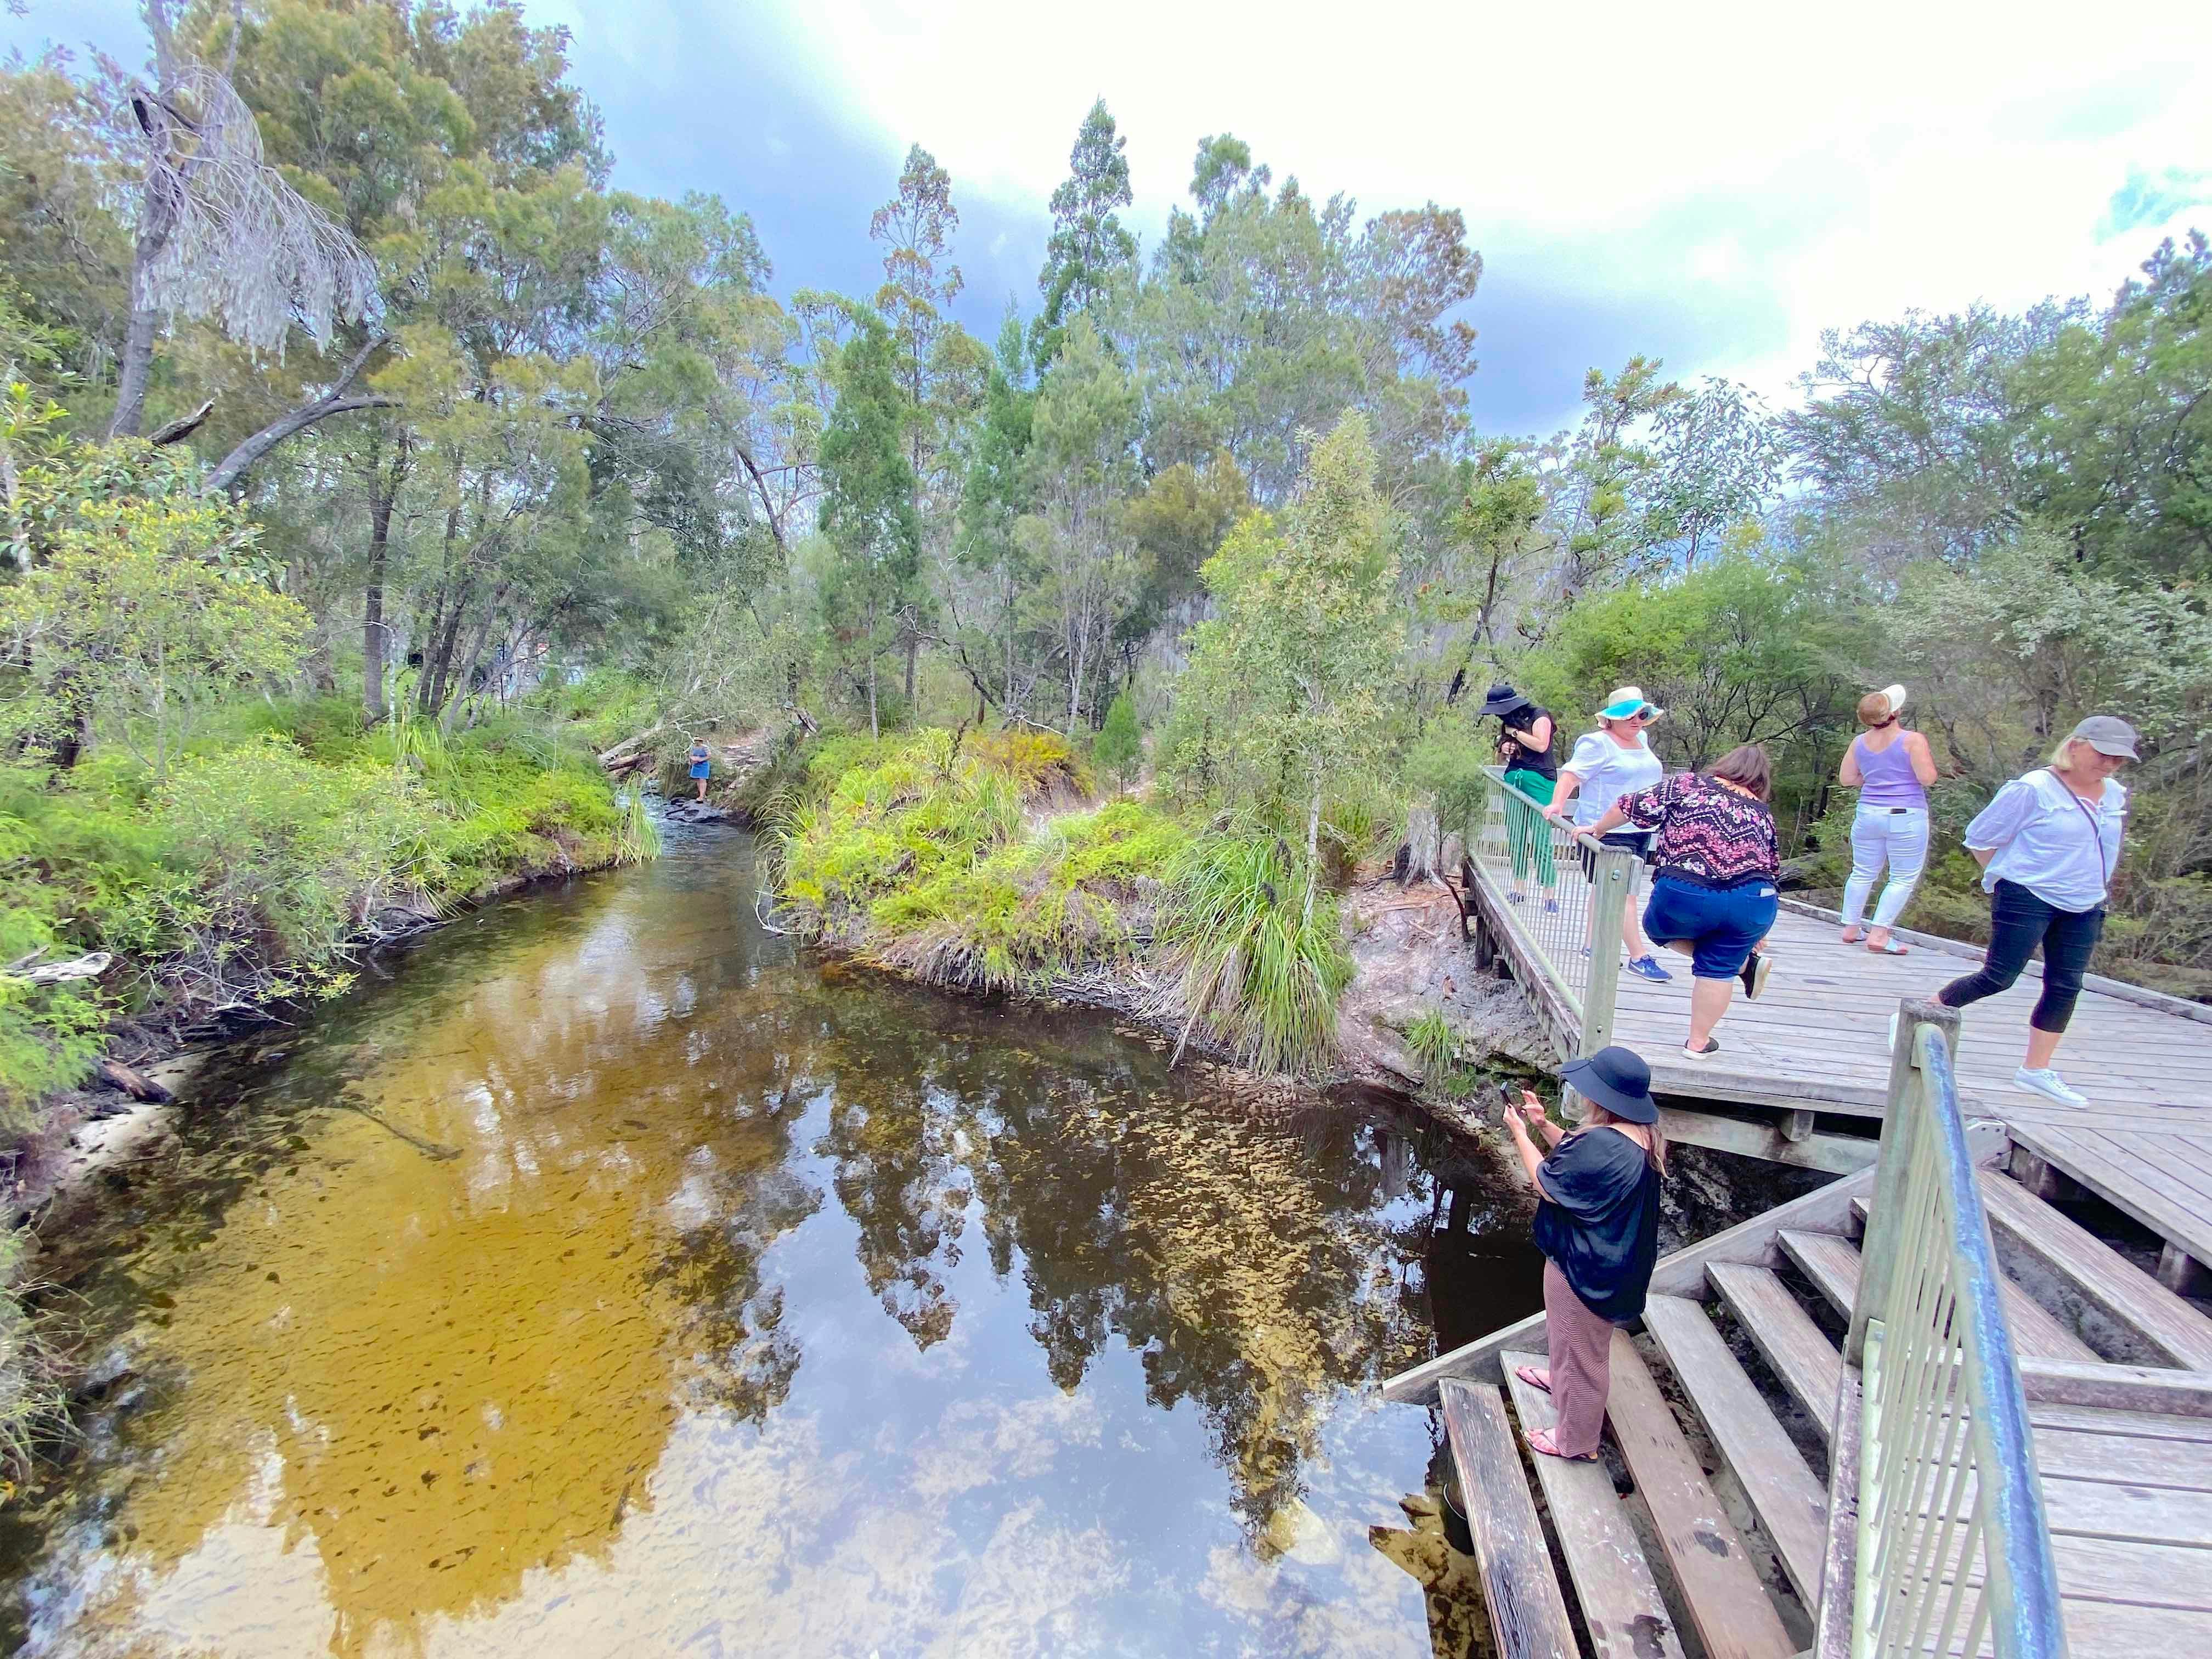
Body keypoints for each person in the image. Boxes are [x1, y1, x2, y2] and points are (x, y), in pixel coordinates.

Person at [1925, 716, 2136, 1108]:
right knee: (1999, 977)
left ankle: (2036, 1070)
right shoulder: (2034, 788)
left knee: (2066, 984)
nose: (2109, 764)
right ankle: (1925, 1014)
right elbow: (1980, 837)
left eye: (2118, 759)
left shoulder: (2114, 794)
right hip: (2027, 894)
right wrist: (2007, 878)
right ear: (2076, 745)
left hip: (2085, 902)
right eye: (2103, 754)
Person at [1502, 1045, 1665, 1462]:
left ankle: (1576, 1442)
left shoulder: (1605, 1145)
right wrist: (1543, 1126)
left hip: (1589, 1269)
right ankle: (1560, 1384)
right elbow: (1577, 1162)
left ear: (1603, 1098)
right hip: (1598, 1258)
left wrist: (1520, 1134)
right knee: (1566, 1335)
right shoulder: (1634, 1135)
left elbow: (1546, 1182)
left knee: (1584, 1357)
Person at [1590, 743, 1780, 1060]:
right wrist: (1757, 932)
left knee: (1656, 927)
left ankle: (1741, 962)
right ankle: (1698, 1043)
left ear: (1725, 765)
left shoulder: (1689, 784)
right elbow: (1772, 870)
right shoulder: (1763, 813)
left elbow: (1629, 806)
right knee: (1719, 966)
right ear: (1761, 780)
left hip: (1688, 890)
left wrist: (1597, 829)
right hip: (1754, 900)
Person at [1544, 687, 1671, 981]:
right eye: (1629, 717)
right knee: (1624, 895)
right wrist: (1557, 805)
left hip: (1639, 829)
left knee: (1605, 890)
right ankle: (1638, 956)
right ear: (1611, 719)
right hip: (1602, 830)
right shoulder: (1596, 743)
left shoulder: (1642, 740)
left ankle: (1592, 945)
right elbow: (1570, 776)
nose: (1636, 721)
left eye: (1641, 715)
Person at [1837, 684, 1938, 955]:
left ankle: (1850, 928)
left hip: (1868, 812)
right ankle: (1880, 934)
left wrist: (1874, 778)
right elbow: (1927, 778)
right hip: (1905, 814)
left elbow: (1847, 779)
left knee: (1862, 871)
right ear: (1896, 712)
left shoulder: (1859, 743)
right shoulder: (1912, 740)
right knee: (1902, 877)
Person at [1480, 683, 1560, 908]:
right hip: (1514, 779)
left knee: (1541, 837)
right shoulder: (1508, 724)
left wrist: (1515, 734)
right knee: (1516, 835)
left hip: (1540, 780)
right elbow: (1501, 755)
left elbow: (1541, 745)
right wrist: (1504, 748)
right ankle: (1519, 887)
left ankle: (1549, 893)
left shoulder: (1539, 716)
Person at [687, 738, 712, 802]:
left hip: (703, 765)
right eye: (696, 741)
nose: (697, 742)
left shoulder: (705, 748)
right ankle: (702, 795)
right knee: (698, 780)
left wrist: (701, 760)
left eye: (698, 741)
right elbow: (690, 755)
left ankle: (701, 797)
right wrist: (692, 760)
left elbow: (709, 756)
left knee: (702, 779)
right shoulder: (693, 747)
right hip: (695, 765)